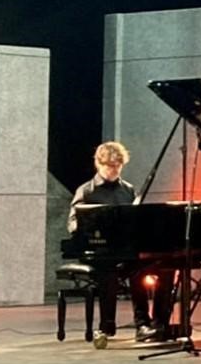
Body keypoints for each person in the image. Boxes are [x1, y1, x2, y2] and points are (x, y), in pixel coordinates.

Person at [68, 141, 174, 342]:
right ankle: (120, 324)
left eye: (118, 166)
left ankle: (157, 324)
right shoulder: (87, 191)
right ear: (99, 164)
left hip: (125, 249)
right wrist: (89, 229)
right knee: (127, 271)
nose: (115, 170)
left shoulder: (127, 189)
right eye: (110, 166)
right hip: (99, 251)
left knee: (163, 268)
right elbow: (73, 223)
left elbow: (135, 221)